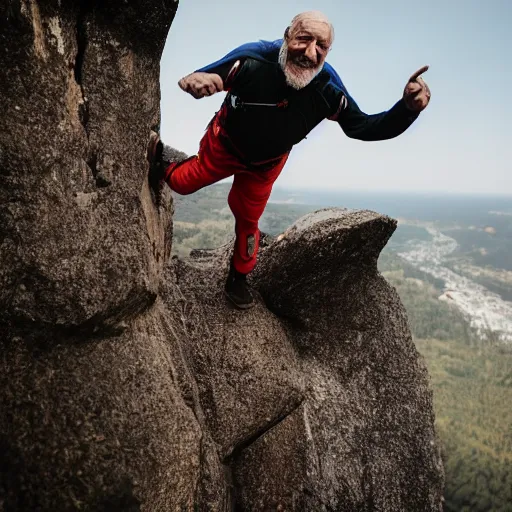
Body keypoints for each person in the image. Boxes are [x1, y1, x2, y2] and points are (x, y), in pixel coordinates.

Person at [147, 10, 431, 310]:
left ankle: (239, 278)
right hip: (224, 146)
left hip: (265, 166)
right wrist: (204, 80)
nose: (310, 53)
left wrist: (407, 109)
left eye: (321, 46)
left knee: (248, 220)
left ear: (328, 51)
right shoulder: (254, 59)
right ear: (287, 35)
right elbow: (216, 73)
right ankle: (164, 159)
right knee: (182, 182)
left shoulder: (328, 90)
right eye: (304, 39)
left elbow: (363, 127)